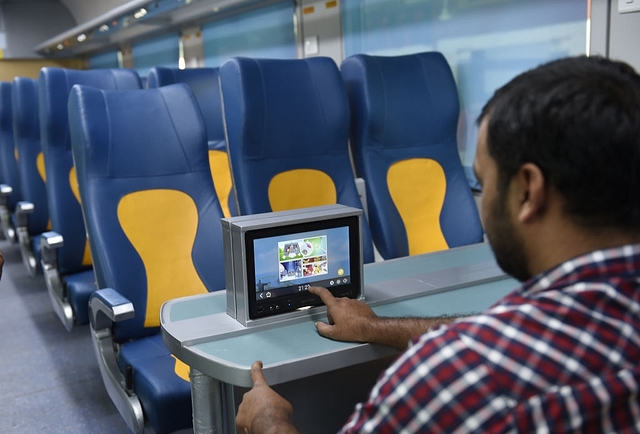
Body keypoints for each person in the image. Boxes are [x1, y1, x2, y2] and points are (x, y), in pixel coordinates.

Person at [235, 55, 640, 433]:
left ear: (527, 192)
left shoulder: (462, 378)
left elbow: (497, 348)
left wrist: (268, 422)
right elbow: (533, 337)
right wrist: (376, 327)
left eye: (482, 180)